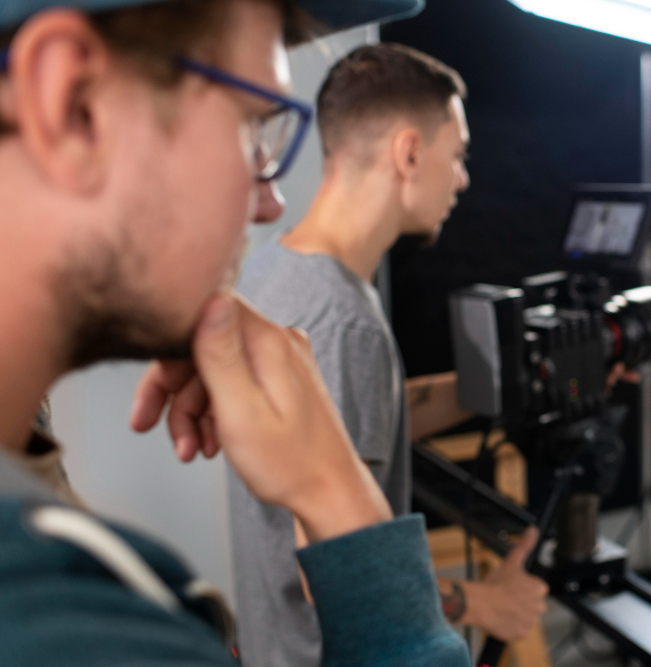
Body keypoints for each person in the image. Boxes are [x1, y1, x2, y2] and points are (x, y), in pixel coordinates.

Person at [0, 1, 470, 666]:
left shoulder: (29, 480)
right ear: (72, 104)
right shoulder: (73, 629)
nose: (269, 203)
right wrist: (340, 499)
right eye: (253, 123)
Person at [231, 43, 550, 666]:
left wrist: (502, 381)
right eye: (456, 156)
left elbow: (348, 415)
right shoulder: (346, 325)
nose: (461, 178)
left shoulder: (276, 271)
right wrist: (483, 604)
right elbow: (322, 573)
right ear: (408, 152)